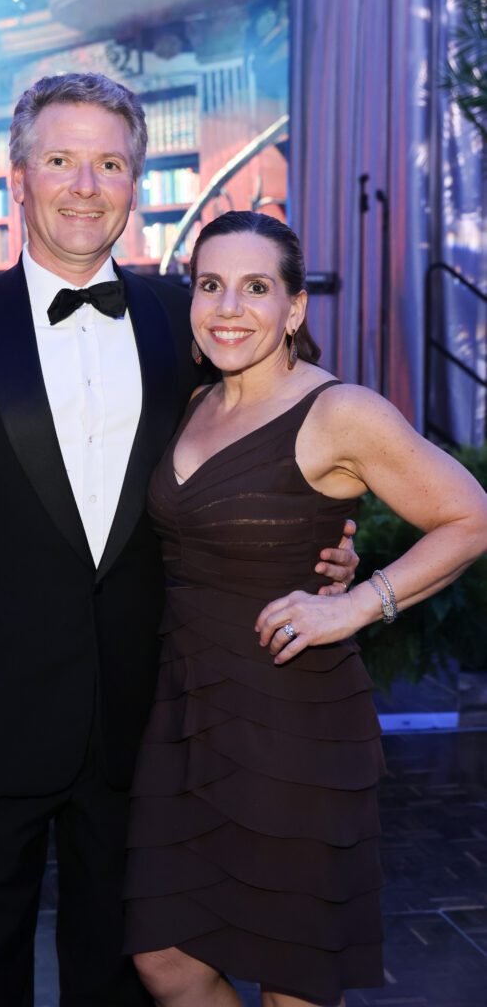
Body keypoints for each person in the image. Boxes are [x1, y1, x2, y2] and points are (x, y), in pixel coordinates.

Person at [0, 78, 357, 1007]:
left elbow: (292, 435)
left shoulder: (193, 317)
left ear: (132, 184)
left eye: (110, 163)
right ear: (17, 178)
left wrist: (330, 543)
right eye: (60, 160)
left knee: (126, 966)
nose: (85, 186)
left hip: (151, 714)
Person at [123, 210, 487, 1007]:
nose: (228, 306)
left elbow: (471, 516)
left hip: (293, 719)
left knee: (294, 980)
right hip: (184, 712)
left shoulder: (338, 412)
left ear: (293, 309)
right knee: (163, 957)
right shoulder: (192, 403)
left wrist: (356, 603)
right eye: (210, 285)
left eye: (256, 287)